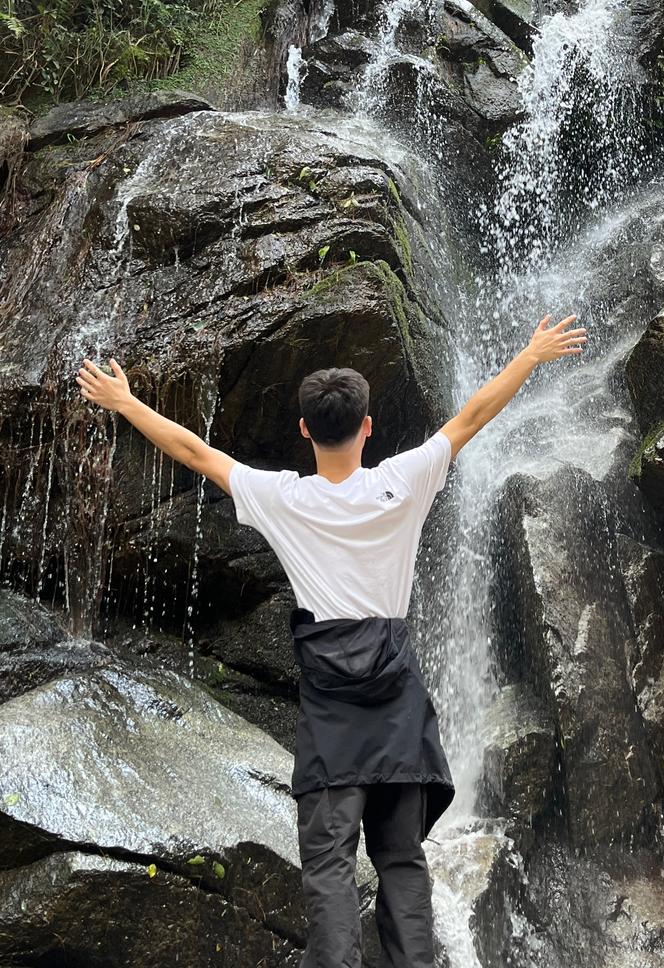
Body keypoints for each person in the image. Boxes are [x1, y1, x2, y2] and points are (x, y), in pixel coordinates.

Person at [76, 312, 588, 968]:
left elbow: (194, 453)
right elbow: (472, 415)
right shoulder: (403, 482)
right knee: (402, 860)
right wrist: (531, 353)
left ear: (304, 432)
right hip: (397, 702)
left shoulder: (283, 499)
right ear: (367, 427)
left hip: (330, 707)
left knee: (329, 866)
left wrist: (125, 401)